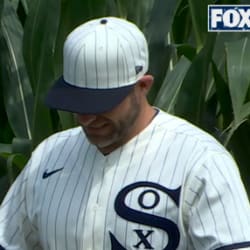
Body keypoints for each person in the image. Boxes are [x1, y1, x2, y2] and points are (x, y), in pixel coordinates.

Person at [0, 16, 250, 250]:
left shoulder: (201, 161)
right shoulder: (49, 155)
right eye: (77, 102)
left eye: (100, 103)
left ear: (143, 86)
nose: (86, 118)